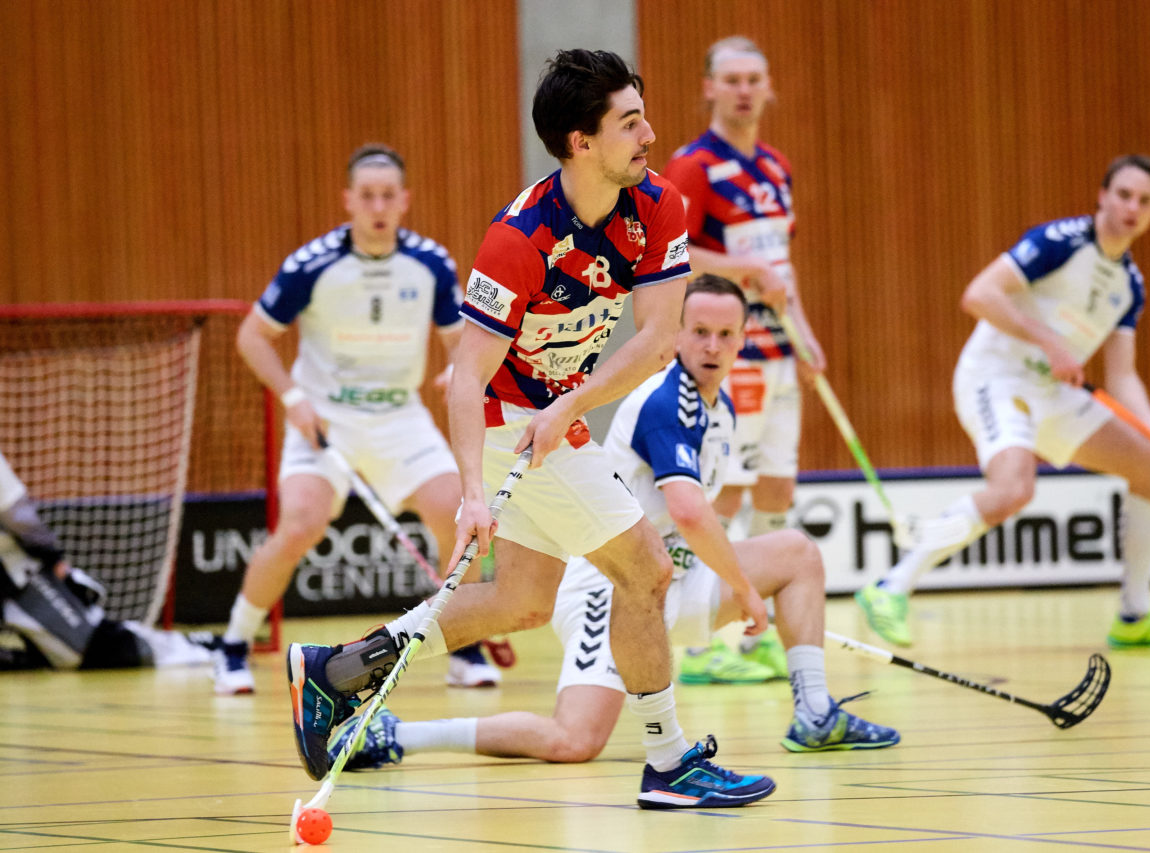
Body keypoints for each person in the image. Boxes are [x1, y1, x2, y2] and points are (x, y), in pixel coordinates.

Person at [285, 50, 778, 810]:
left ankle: (339, 669)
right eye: (630, 121)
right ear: (581, 142)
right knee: (645, 570)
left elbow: (656, 338)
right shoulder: (517, 240)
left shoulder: (658, 208)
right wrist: (472, 494)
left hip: (555, 417)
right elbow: (465, 379)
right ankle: (669, 761)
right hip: (508, 419)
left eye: (642, 113)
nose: (650, 133)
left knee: (521, 599)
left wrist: (570, 407)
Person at [325, 275, 899, 771]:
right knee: (574, 740)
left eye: (727, 335)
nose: (712, 346)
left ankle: (816, 712)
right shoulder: (666, 403)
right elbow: (689, 512)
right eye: (699, 331)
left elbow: (698, 520)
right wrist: (746, 592)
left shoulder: (717, 407)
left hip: (667, 579)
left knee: (796, 553)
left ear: (743, 342)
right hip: (609, 584)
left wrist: (741, 585)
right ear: (674, 334)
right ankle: (393, 733)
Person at [856, 154, 1150, 650]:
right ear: (1103, 196)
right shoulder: (1059, 243)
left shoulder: (1130, 287)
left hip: (1054, 394)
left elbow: (1122, 376)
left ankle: (1134, 615)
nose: (1133, 207)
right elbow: (979, 294)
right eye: (1124, 195)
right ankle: (891, 586)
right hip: (996, 379)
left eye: (1145, 201)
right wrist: (1048, 340)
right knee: (1013, 489)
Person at [211, 143, 502, 694]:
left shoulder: (431, 262)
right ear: (348, 200)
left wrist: (452, 372)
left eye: (388, 195)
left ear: (404, 201)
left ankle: (464, 645)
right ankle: (232, 644)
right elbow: (253, 337)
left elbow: (457, 343)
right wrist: (292, 396)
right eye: (367, 195)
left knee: (455, 513)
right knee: (300, 522)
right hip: (325, 418)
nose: (377, 206)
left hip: (399, 417)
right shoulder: (313, 264)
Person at [661, 36, 823, 683]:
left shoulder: (777, 167)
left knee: (778, 486)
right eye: (731, 79)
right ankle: (702, 640)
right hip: (732, 355)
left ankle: (755, 632)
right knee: (724, 489)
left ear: (769, 85)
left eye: (754, 78)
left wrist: (804, 333)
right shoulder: (692, 166)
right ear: (709, 88)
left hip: (781, 350)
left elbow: (780, 271)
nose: (744, 90)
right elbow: (672, 255)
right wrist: (740, 268)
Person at [0, 449, 210, 670]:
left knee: (91, 648)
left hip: (15, 579)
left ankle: (189, 646)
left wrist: (54, 559)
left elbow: (18, 516)